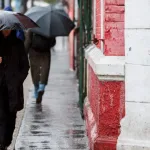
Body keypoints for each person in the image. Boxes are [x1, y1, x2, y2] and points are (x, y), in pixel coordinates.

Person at [0, 30, 29, 150]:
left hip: (13, 88)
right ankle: (1, 143)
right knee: (1, 115)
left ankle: (6, 141)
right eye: (4, 28)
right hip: (0, 86)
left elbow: (25, 66)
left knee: (11, 115)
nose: (6, 30)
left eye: (8, 28)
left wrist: (18, 80)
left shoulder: (18, 44)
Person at [25, 31, 56, 104]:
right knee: (45, 69)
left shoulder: (32, 27)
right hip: (45, 52)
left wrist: (24, 54)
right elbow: (53, 42)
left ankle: (36, 90)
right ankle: (41, 87)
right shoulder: (49, 28)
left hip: (33, 52)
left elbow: (28, 41)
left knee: (35, 70)